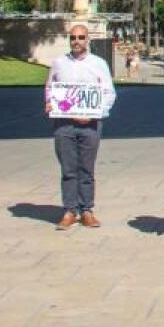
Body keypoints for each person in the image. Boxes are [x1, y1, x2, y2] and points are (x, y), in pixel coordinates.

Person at [44, 24, 116, 230]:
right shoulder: (59, 63)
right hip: (64, 124)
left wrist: (97, 113)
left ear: (88, 39)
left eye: (81, 37)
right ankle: (69, 210)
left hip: (90, 125)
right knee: (68, 169)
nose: (77, 41)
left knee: (86, 169)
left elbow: (109, 93)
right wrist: (49, 103)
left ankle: (86, 210)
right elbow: (50, 87)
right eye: (73, 37)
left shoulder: (99, 64)